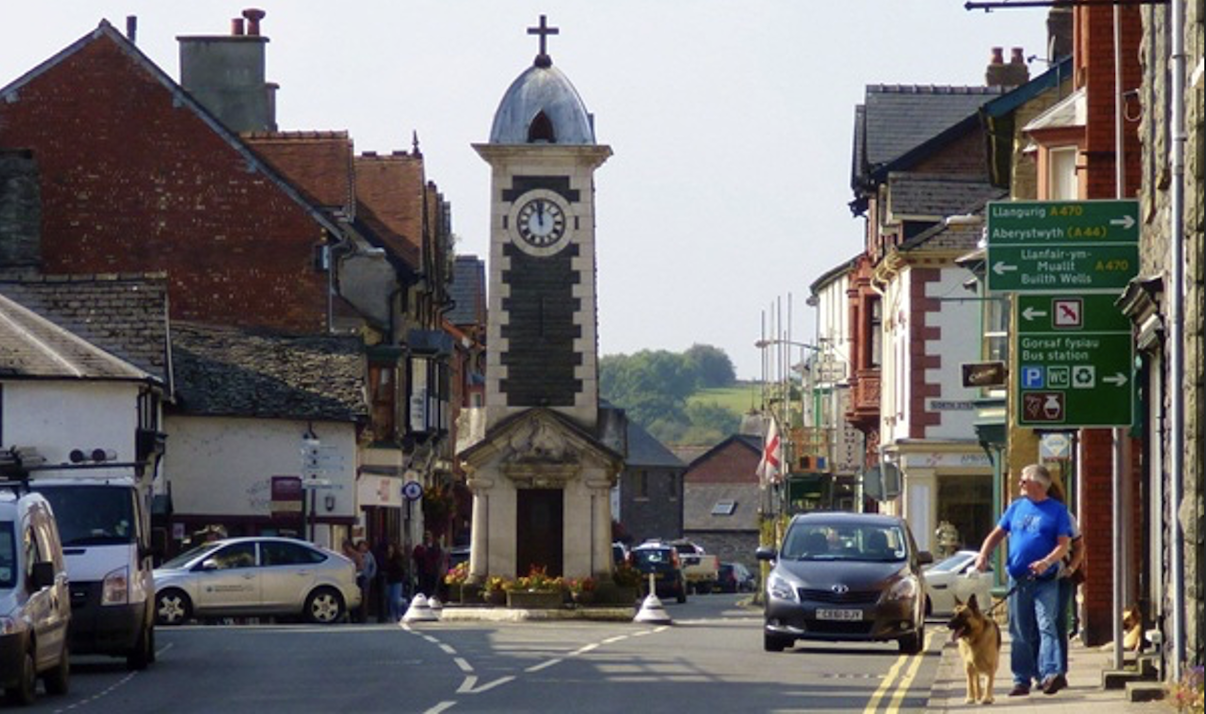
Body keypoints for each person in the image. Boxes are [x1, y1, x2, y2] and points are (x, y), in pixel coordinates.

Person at [974, 463, 1073, 697]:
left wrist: (1046, 562)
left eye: (1023, 480)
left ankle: (1050, 674)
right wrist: (983, 554)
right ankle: (1022, 679)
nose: (1019, 483)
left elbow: (1063, 544)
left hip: (1045, 579)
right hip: (1018, 580)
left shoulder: (1057, 511)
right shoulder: (1016, 508)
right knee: (1019, 631)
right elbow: (997, 534)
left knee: (1046, 625)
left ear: (1037, 484)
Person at [1047, 474, 1086, 676]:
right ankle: (1045, 670)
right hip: (1034, 577)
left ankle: (1059, 669)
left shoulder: (1065, 516)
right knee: (1039, 625)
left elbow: (1079, 546)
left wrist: (1071, 568)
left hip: (1060, 577)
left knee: (1057, 621)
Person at [413, 531, 443, 598]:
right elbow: (415, 559)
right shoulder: (419, 548)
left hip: (432, 573)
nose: (427, 538)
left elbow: (438, 558)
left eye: (428, 536)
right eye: (425, 536)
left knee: (431, 590)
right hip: (422, 573)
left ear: (431, 538)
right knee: (422, 590)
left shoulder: (435, 547)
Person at [383, 541, 408, 622]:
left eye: (391, 548)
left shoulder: (398, 558)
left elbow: (401, 569)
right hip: (389, 581)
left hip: (397, 580)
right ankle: (392, 615)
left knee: (395, 599)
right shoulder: (386, 558)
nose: (390, 550)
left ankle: (400, 611)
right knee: (390, 599)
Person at [356, 540, 377, 622]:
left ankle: (364, 617)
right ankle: (357, 616)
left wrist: (371, 576)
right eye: (360, 546)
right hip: (357, 577)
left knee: (365, 597)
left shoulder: (369, 555)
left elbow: (374, 565)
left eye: (363, 546)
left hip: (365, 578)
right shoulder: (356, 554)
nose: (362, 547)